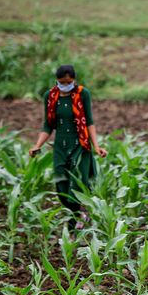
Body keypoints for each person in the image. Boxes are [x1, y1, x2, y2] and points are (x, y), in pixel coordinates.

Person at [29, 65, 107, 231]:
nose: (66, 85)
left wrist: (97, 146)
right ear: (57, 80)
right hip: (60, 146)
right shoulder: (49, 96)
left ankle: (78, 219)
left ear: (74, 80)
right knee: (61, 184)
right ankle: (77, 215)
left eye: (69, 82)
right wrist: (37, 145)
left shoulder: (82, 94)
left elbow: (89, 122)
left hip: (80, 145)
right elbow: (48, 125)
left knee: (78, 184)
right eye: (62, 82)